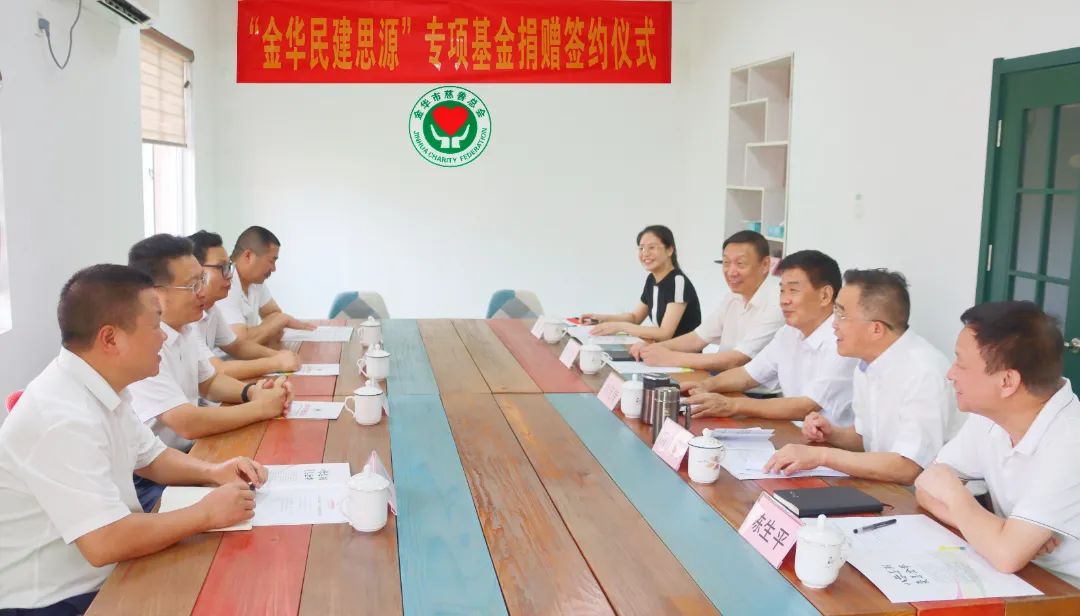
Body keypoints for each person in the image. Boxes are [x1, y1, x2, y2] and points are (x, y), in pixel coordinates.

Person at [0, 265, 265, 615]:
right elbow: (105, 541)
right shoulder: (61, 417)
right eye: (155, 324)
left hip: (106, 570)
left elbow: (151, 457)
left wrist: (214, 471)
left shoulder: (101, 385)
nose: (163, 337)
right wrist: (204, 514)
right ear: (110, 339)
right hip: (56, 600)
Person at [915, 301, 1080, 585]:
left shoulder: (1070, 441)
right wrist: (998, 531)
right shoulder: (992, 415)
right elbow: (925, 487)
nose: (950, 373)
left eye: (961, 364)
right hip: (1022, 575)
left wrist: (955, 495)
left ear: (1007, 382)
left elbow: (1005, 556)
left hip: (1066, 589)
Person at [765, 269, 962, 483]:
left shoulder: (923, 370)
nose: (834, 324)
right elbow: (867, 438)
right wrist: (831, 433)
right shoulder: (866, 364)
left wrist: (821, 456)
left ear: (876, 329)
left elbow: (907, 467)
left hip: (926, 495)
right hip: (885, 485)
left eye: (842, 315)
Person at [126, 234, 291, 453]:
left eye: (202, 280)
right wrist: (260, 408)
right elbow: (187, 423)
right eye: (193, 285)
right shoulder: (142, 344)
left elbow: (210, 383)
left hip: (189, 450)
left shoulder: (183, 328)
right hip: (160, 465)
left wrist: (253, 392)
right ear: (155, 294)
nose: (203, 292)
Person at [683, 250, 857, 425]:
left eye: (793, 291)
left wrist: (733, 405)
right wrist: (707, 385)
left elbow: (807, 405)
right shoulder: (789, 332)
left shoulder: (841, 340)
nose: (784, 300)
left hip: (828, 439)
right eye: (782, 291)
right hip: (794, 430)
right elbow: (748, 374)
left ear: (825, 295)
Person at [630, 230, 783, 373]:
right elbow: (697, 339)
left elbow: (737, 360)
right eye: (726, 263)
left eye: (740, 264)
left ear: (765, 264)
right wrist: (653, 348)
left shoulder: (777, 303)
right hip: (722, 379)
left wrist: (669, 357)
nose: (731, 272)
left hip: (751, 390)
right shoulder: (733, 296)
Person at [188, 230, 301, 380]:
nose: (229, 275)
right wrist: (275, 362)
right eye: (222, 268)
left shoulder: (211, 309)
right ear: (196, 271)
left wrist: (277, 355)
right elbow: (216, 370)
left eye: (228, 267)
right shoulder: (186, 319)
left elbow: (237, 346)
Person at [582, 225, 702, 342]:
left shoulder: (678, 281)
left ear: (670, 250)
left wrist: (620, 327)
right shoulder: (652, 279)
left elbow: (665, 333)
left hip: (681, 354)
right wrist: (600, 318)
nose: (645, 253)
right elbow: (634, 318)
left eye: (652, 247)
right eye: (641, 248)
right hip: (661, 349)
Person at [218, 226, 315, 345]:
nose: (274, 269)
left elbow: (273, 313)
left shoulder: (255, 282)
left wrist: (259, 332)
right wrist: (279, 321)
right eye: (271, 261)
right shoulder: (224, 284)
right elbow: (240, 343)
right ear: (248, 256)